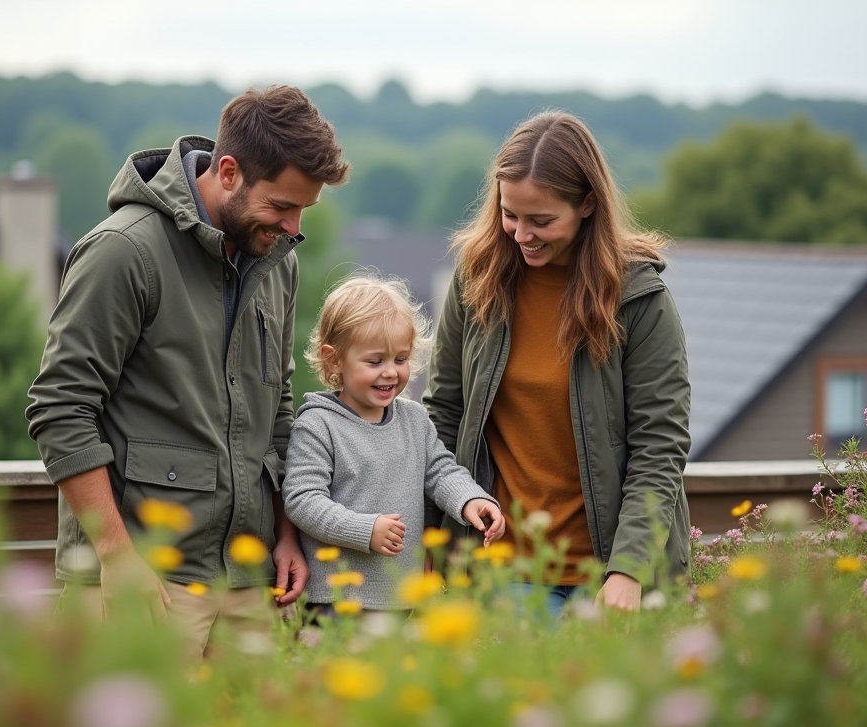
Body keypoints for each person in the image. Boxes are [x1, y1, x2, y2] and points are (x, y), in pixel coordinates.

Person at [26, 85, 349, 657]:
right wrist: (118, 557)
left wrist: (287, 535)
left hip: (252, 582)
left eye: (304, 210)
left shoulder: (279, 260)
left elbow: (277, 410)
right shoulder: (122, 252)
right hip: (143, 579)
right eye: (280, 206)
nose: (293, 226)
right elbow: (61, 409)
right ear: (228, 172)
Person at [423, 111, 691, 617]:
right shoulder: (477, 280)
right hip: (503, 571)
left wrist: (628, 570)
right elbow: (442, 414)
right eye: (510, 215)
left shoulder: (640, 299)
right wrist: (429, 538)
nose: (522, 234)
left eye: (542, 221)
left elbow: (660, 446)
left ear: (588, 203)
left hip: (610, 577)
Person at [283, 275, 505, 615]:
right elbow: (303, 501)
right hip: (337, 602)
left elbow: (442, 471)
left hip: (405, 600)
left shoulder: (414, 420)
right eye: (375, 362)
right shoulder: (317, 424)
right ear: (334, 360)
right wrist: (365, 529)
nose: (390, 373)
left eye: (400, 359)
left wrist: (470, 499)